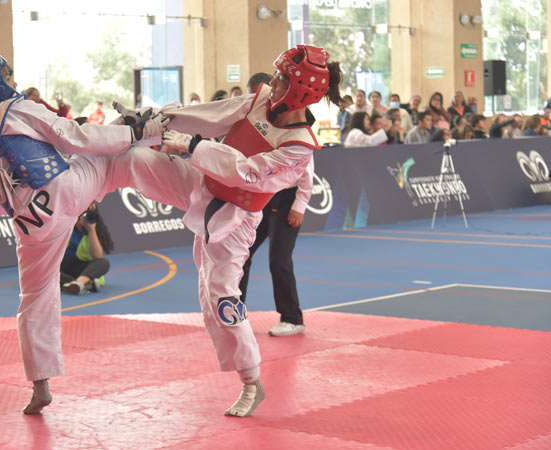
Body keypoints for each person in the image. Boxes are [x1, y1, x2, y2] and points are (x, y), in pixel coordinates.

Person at [0, 48, 167, 416]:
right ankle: (157, 136)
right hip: (67, 189)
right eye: (8, 73)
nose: (14, 81)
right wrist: (131, 132)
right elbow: (75, 137)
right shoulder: (20, 109)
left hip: (30, 223)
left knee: (34, 297)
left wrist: (16, 194)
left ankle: (40, 386)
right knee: (110, 157)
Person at [150, 44, 343, 417]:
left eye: (282, 78)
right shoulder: (262, 98)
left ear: (300, 89)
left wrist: (193, 145)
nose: (273, 82)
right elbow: (214, 116)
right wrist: (163, 118)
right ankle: (92, 160)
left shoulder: (299, 145)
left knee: (219, 297)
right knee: (139, 160)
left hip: (238, 217)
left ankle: (251, 383)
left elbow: (247, 172)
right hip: (203, 185)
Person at [237, 73, 312, 339]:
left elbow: (306, 168)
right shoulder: (254, 118)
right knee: (241, 253)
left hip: (287, 199)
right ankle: (235, 313)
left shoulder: (290, 120)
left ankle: (292, 318)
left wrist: (300, 204)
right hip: (262, 197)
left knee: (278, 260)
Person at [61, 202, 113, 295]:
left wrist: (91, 230)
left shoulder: (93, 231)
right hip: (61, 266)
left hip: (80, 269)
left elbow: (97, 256)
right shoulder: (66, 226)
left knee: (104, 262)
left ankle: (80, 282)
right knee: (49, 273)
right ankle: (86, 284)